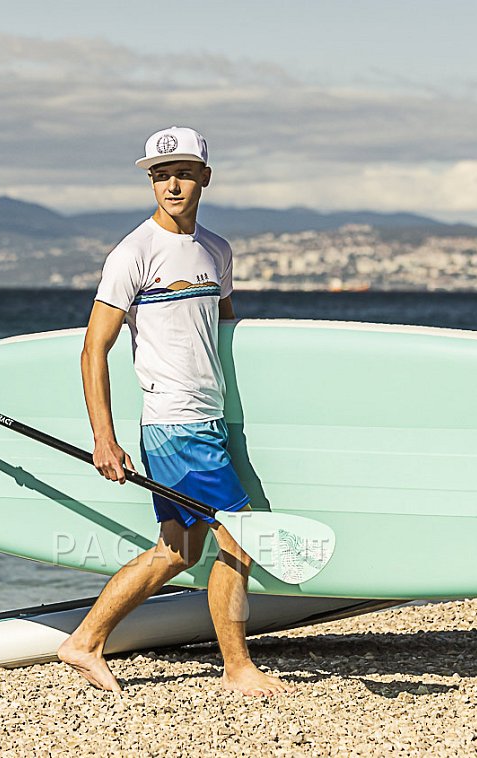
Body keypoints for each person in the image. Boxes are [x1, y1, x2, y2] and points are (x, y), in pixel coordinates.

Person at [57, 127, 292, 697]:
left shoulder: (216, 250)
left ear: (205, 177)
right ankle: (237, 667)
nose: (172, 184)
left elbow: (226, 332)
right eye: (160, 174)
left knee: (178, 549)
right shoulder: (133, 253)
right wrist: (103, 438)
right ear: (150, 181)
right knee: (237, 534)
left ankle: (83, 641)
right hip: (173, 423)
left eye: (183, 172)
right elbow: (94, 348)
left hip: (207, 417)